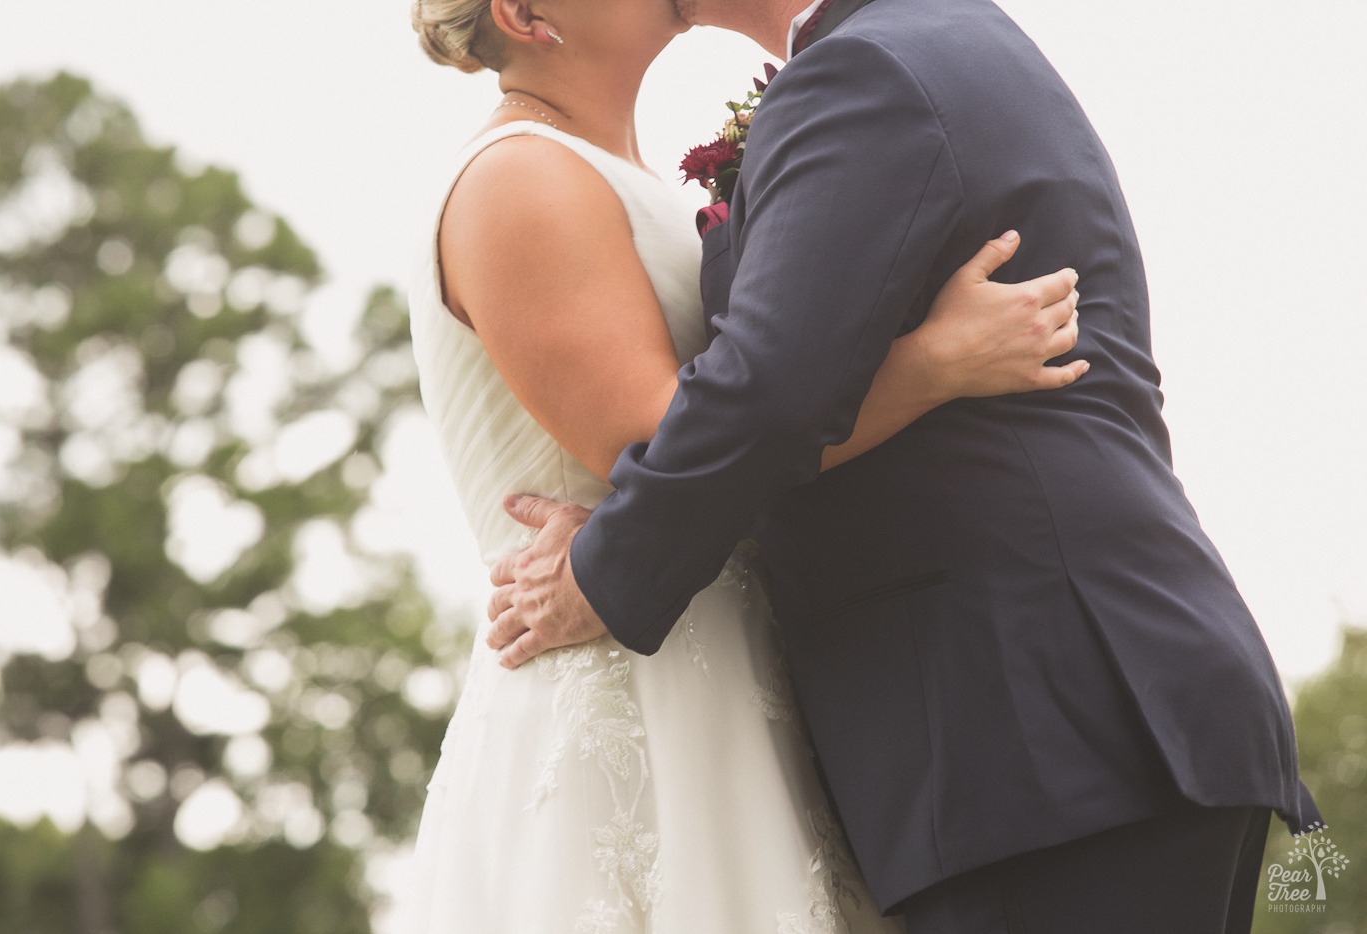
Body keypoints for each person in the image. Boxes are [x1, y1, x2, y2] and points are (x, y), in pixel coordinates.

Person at [484, 0, 1324, 932]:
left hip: (1033, 721)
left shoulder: (869, 69)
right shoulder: (936, 34)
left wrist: (601, 574)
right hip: (1086, 703)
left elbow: (769, 394)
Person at [400, 0, 1088, 928]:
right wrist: (929, 366)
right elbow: (667, 440)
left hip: (732, 664)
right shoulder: (518, 180)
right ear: (527, 14)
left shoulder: (605, 171)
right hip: (627, 687)